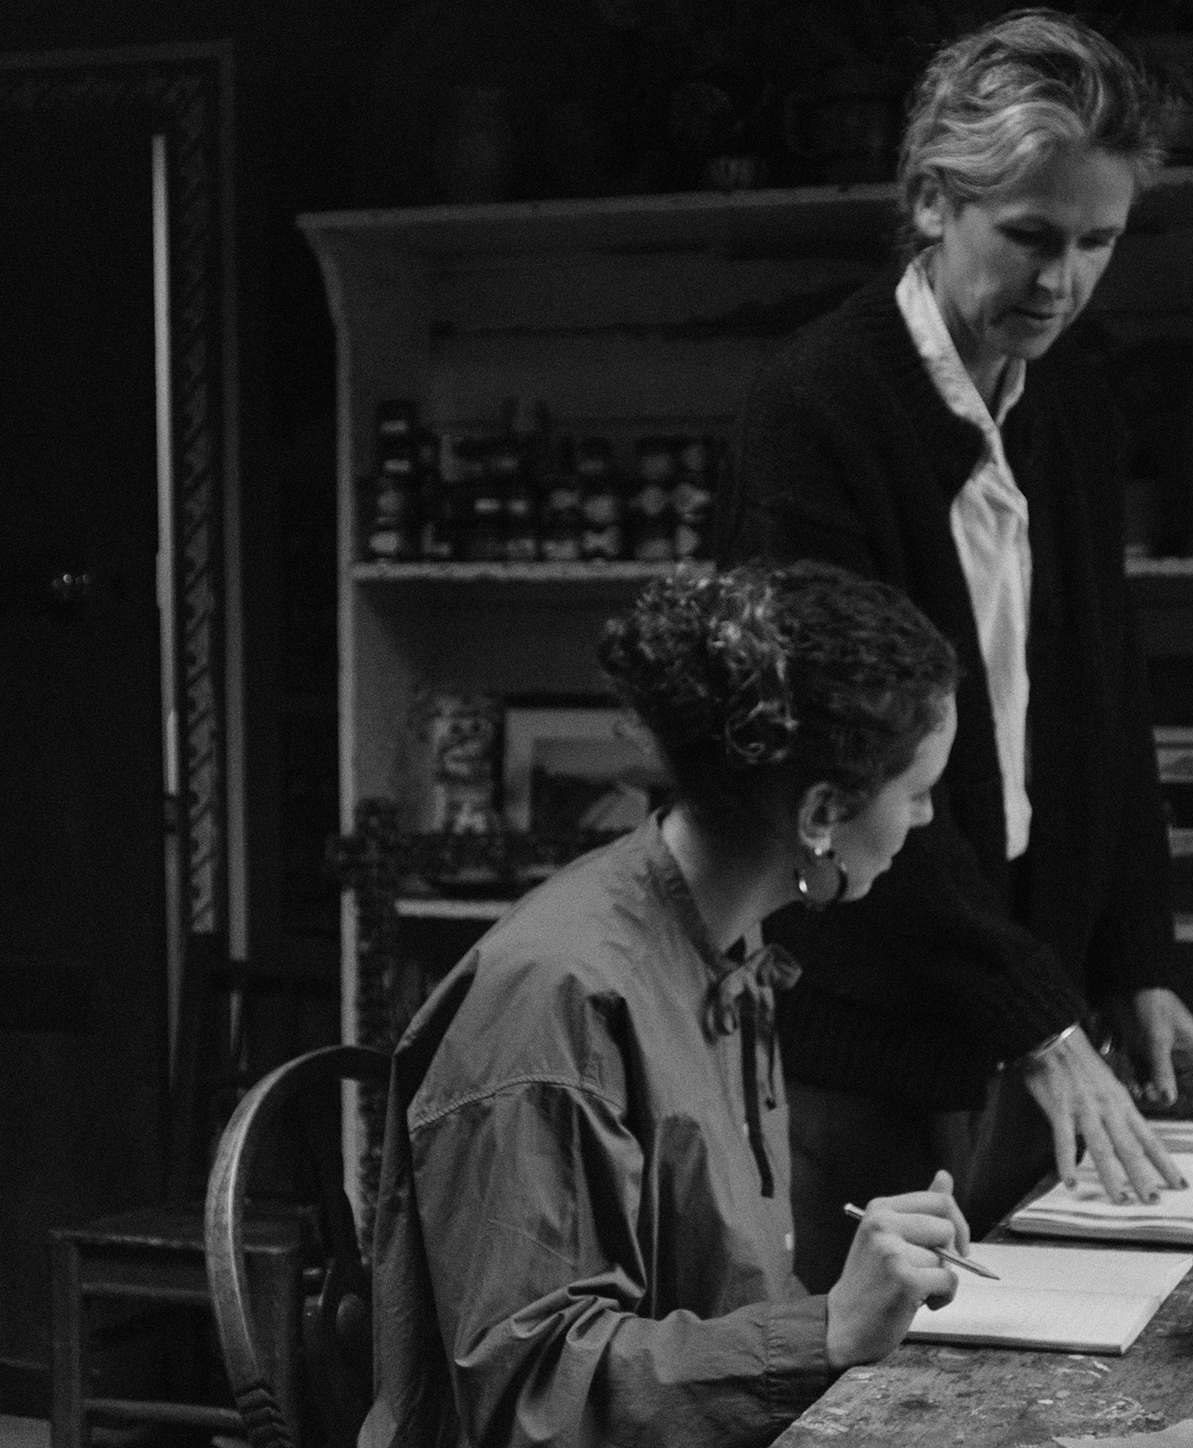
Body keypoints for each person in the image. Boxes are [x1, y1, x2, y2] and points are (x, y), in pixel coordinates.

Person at [713, 7, 1193, 1291]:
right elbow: (848, 776)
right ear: (934, 202)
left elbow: (1100, 707)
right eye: (1030, 238)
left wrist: (1136, 967)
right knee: (864, 1400)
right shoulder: (813, 414)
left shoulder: (1060, 402)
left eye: (1096, 243)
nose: (1060, 281)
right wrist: (1043, 1018)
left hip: (1019, 1007)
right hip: (860, 1032)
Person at [363, 561, 971, 1448]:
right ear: (821, 811)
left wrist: (840, 1310)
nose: (922, 822)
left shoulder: (728, 943)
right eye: (917, 793)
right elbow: (531, 1401)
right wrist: (827, 1328)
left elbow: (720, 1301)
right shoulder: (559, 996)